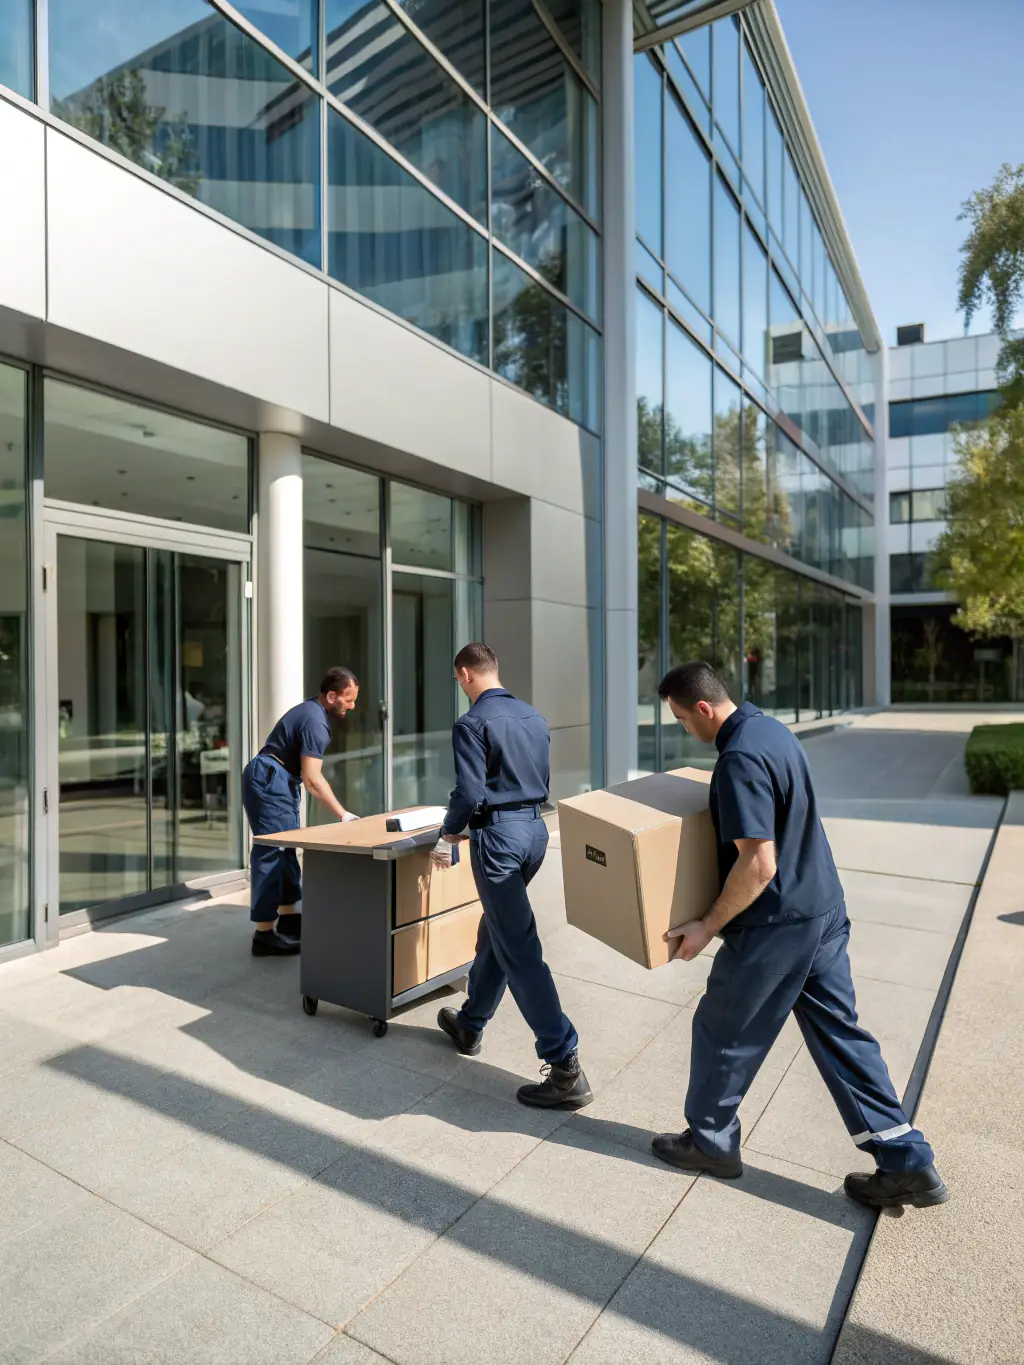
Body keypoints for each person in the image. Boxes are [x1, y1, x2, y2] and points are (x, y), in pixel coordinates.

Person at [651, 661, 948, 1214]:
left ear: (703, 709)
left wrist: (707, 924)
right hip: (822, 907)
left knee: (722, 1027)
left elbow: (758, 864)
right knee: (842, 1036)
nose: (683, 731)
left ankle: (711, 1142)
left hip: (776, 923)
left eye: (681, 720)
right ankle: (906, 1159)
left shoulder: (738, 758)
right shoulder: (768, 728)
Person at [432, 642, 591, 1110]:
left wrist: (447, 833)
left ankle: (565, 1065)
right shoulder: (534, 718)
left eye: (458, 680)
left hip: (497, 840)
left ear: (465, 674)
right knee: (499, 932)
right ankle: (471, 1021)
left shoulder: (471, 722)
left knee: (518, 948)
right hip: (534, 834)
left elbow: (469, 791)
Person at [242, 666, 360, 957]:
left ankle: (290, 919)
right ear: (331, 696)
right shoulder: (315, 722)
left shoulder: (313, 711)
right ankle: (264, 935)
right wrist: (343, 814)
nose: (352, 706)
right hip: (271, 779)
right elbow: (313, 779)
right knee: (271, 852)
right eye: (348, 699)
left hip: (278, 777)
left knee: (286, 850)